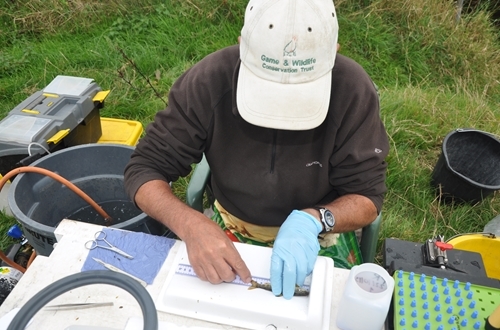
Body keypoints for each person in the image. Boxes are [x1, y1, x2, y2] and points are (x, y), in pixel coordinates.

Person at [124, 0, 389, 300]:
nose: (283, 111)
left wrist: (315, 220)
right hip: (233, 225)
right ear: (242, 44)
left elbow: (367, 197)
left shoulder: (354, 91)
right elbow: (143, 170)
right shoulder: (209, 81)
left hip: (320, 232)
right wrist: (190, 223)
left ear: (334, 51)